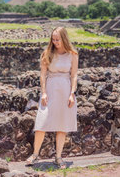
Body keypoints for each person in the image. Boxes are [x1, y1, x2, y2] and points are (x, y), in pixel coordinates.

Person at [26, 27, 78, 169]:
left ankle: (58, 157)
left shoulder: (73, 54)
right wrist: (43, 92)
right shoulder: (47, 53)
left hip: (66, 90)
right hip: (50, 90)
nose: (55, 42)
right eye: (53, 39)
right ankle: (35, 154)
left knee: (62, 126)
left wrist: (72, 93)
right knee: (41, 123)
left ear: (64, 38)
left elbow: (74, 75)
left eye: (57, 39)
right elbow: (43, 74)